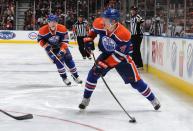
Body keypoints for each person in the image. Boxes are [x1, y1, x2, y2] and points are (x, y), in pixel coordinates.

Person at [79, 8, 161, 110]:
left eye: (106, 19)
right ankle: (86, 99)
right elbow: (93, 31)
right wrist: (89, 39)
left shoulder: (124, 34)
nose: (102, 21)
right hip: (107, 53)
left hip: (122, 57)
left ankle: (153, 99)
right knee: (93, 74)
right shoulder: (99, 23)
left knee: (135, 82)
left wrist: (103, 65)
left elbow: (118, 56)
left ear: (113, 21)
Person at [37, 14, 83, 86]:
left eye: (55, 22)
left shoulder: (62, 28)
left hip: (61, 46)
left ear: (57, 22)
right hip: (51, 48)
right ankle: (64, 78)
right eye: (51, 22)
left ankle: (76, 76)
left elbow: (65, 41)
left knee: (68, 58)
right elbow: (40, 40)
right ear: (48, 22)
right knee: (59, 60)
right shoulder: (42, 30)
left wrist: (62, 50)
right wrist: (46, 46)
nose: (53, 23)